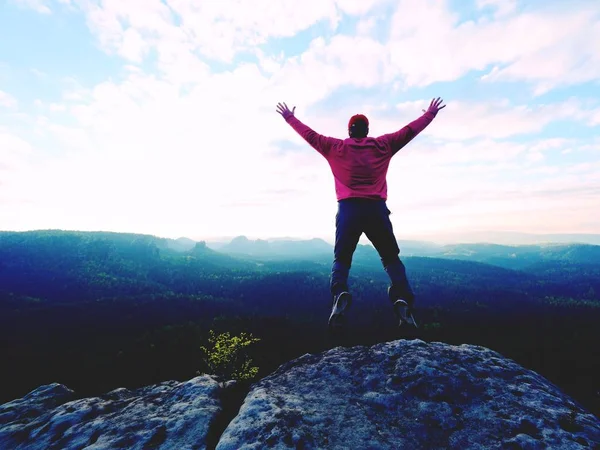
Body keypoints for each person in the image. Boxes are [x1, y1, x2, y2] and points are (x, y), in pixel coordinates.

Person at [276, 98, 446, 330]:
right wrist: (430, 114)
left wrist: (289, 117)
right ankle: (403, 299)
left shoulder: (335, 147)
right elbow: (409, 131)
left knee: (342, 259)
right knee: (391, 258)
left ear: (349, 131)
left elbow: (310, 135)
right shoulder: (383, 145)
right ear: (367, 131)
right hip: (376, 210)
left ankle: (340, 294)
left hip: (348, 210)